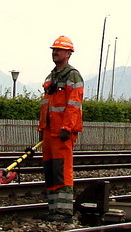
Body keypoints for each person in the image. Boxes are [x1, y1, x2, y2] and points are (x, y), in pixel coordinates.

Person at [38, 35, 84, 223]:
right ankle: (53, 209)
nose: (55, 52)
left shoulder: (72, 76)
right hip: (50, 132)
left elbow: (74, 104)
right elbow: (46, 103)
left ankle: (64, 212)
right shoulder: (52, 76)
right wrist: (42, 127)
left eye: (58, 50)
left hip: (62, 132)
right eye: (53, 50)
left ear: (68, 53)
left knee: (62, 171)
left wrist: (67, 126)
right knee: (50, 170)